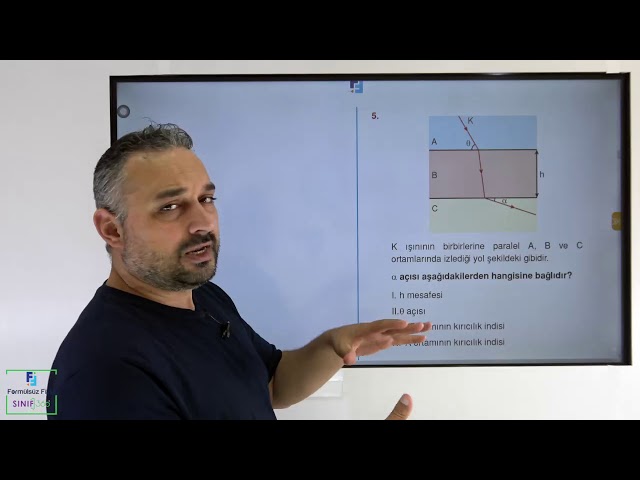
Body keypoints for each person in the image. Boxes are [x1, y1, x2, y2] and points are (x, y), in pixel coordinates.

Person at [46, 123, 431, 420]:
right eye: (170, 207)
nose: (203, 222)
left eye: (206, 198)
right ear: (112, 229)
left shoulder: (202, 297)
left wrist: (333, 346)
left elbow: (271, 384)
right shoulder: (107, 373)